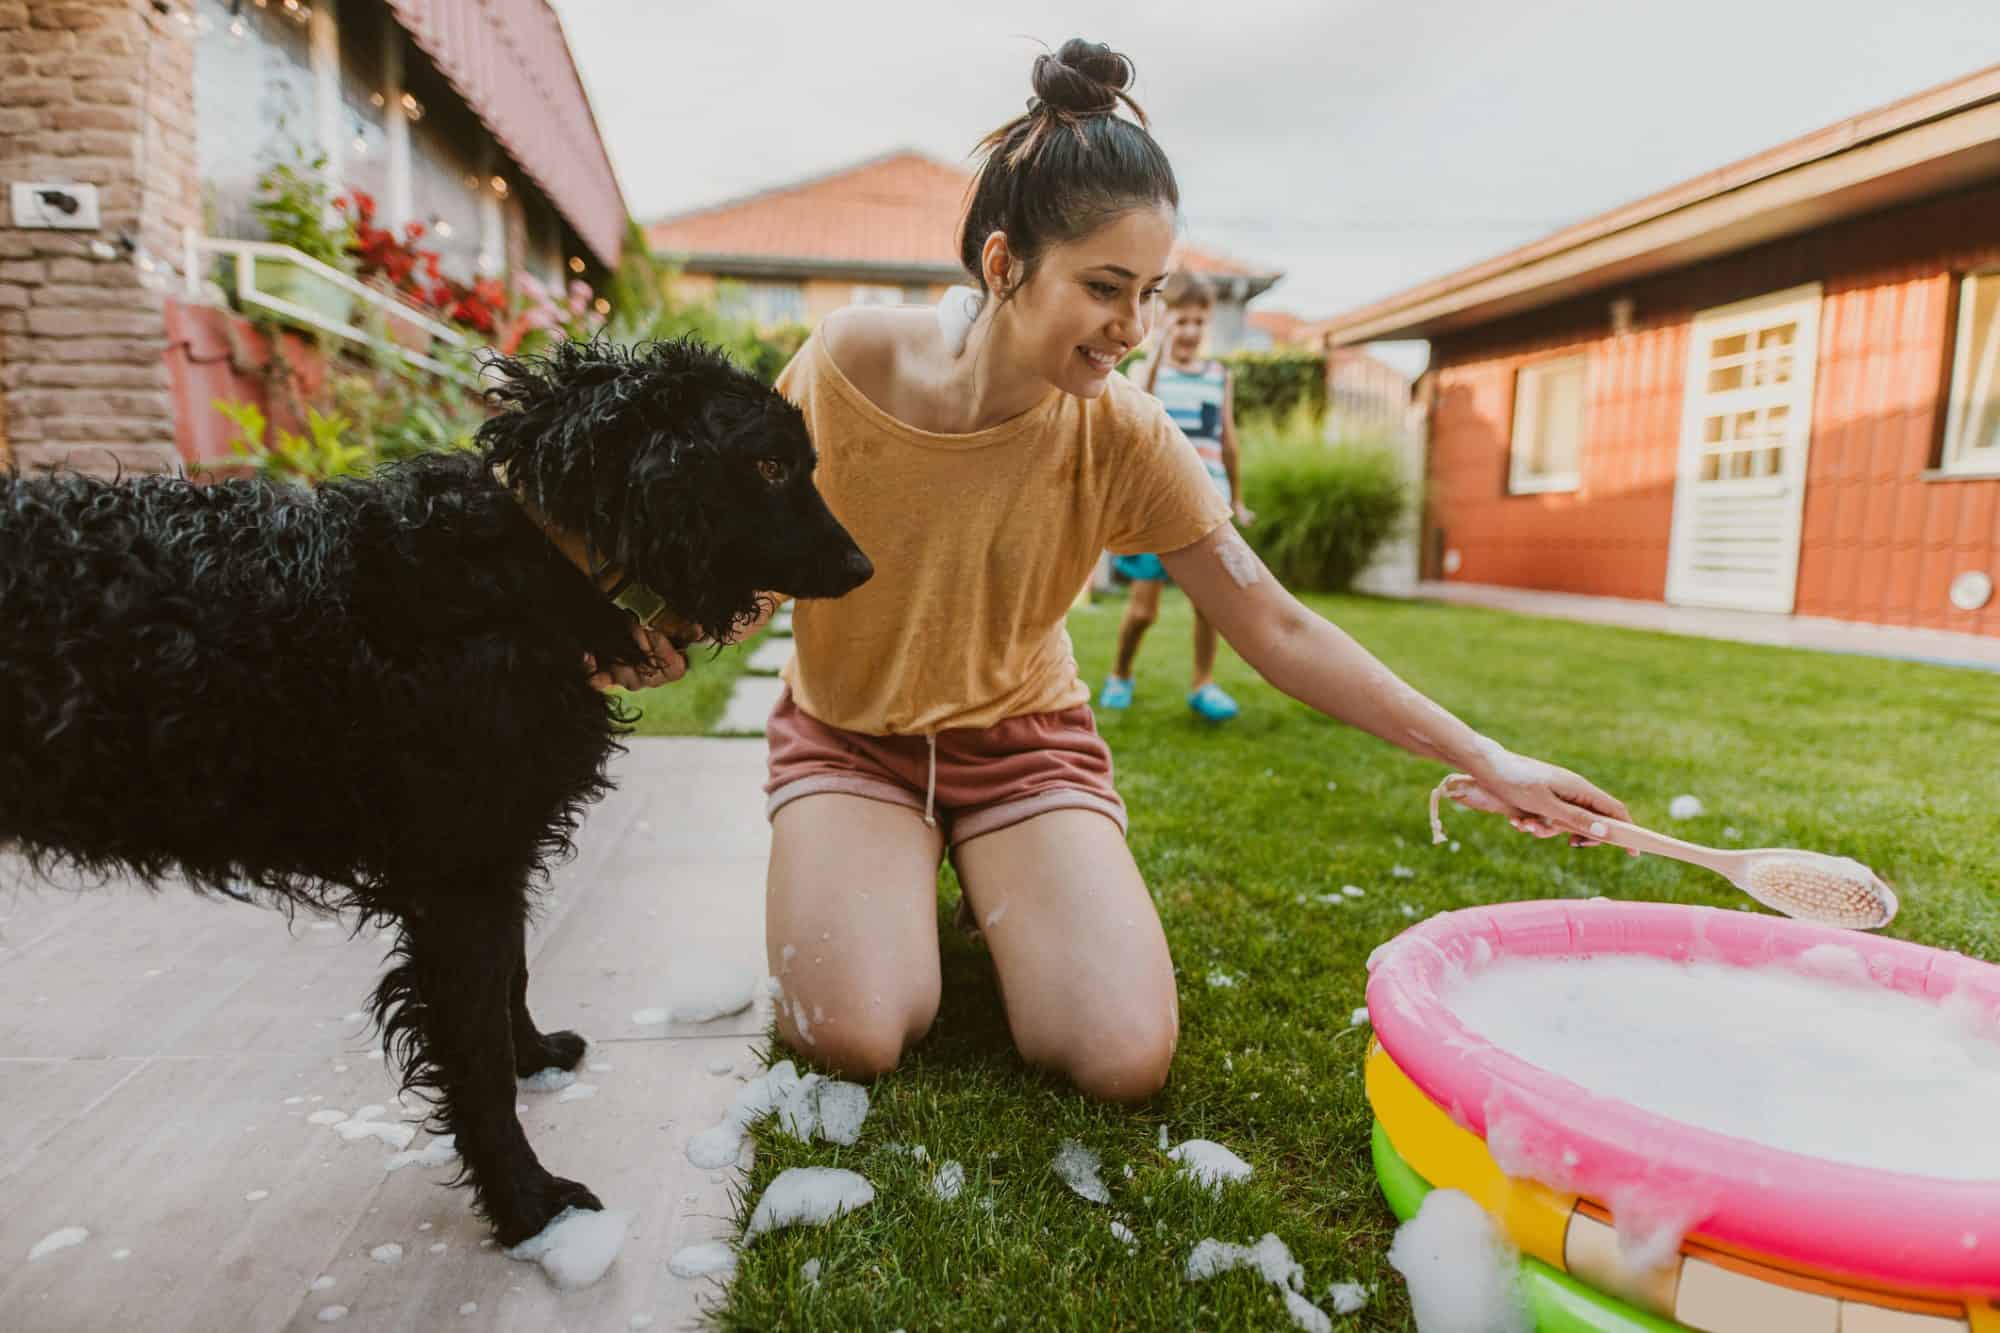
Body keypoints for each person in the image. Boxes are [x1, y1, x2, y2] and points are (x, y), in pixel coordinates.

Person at [618, 39, 1627, 1103]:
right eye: (1106, 288)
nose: (1132, 328)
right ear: (1004, 264)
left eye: (1146, 292)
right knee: (850, 1036)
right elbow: (757, 551)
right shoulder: (845, 364)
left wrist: (1485, 755)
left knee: (1119, 1058)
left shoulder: (1129, 434)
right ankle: (894, 862)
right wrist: (683, 629)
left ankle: (983, 864)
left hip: (1019, 747)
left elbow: (1274, 627)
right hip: (849, 736)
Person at [1099, 271, 1253, 720]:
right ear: (1164, 321)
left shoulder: (1218, 376)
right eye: (1180, 321)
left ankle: (1203, 683)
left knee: (1212, 607)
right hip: (1157, 507)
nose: (1189, 331)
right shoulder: (1150, 371)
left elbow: (1228, 441)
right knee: (1143, 610)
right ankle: (1120, 673)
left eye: (1198, 322)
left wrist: (1237, 499)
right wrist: (1156, 353)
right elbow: (1137, 413)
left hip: (1209, 504)